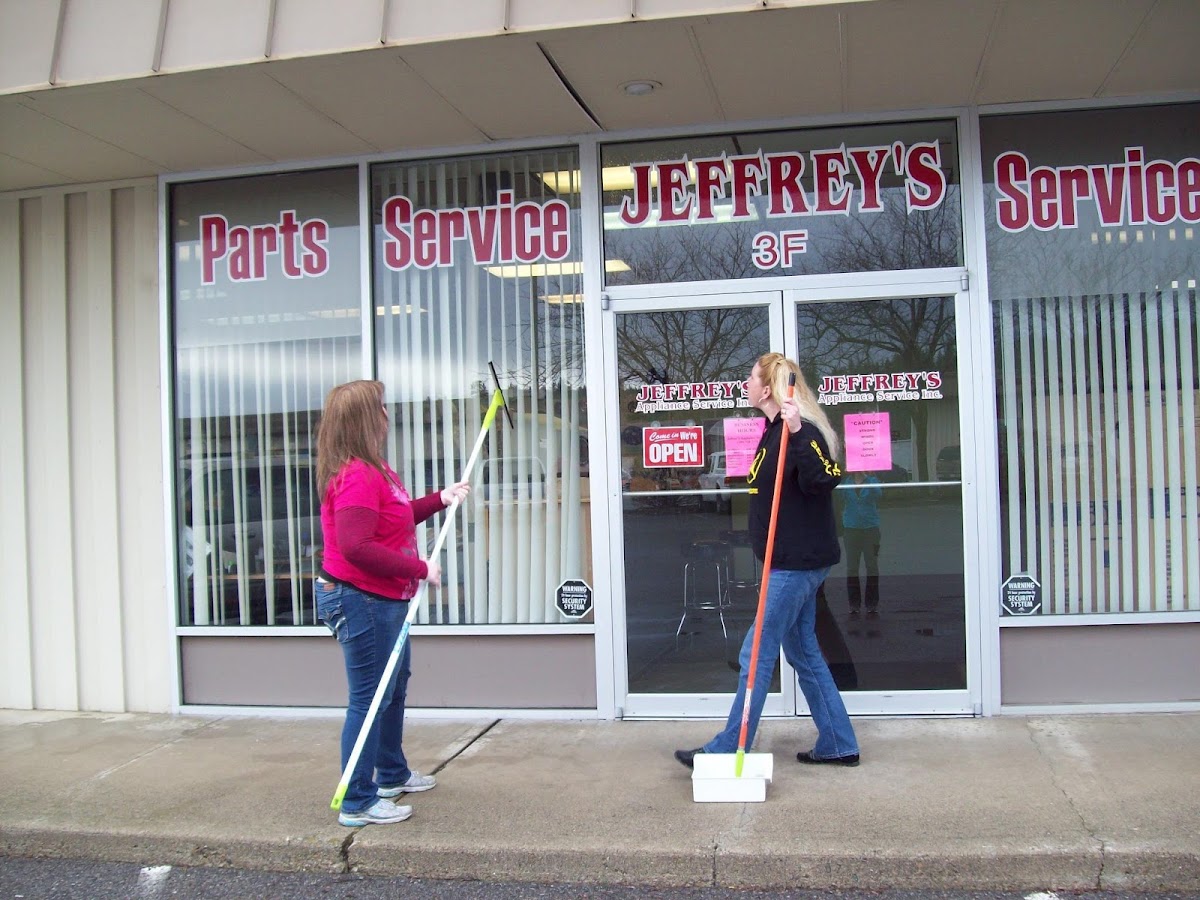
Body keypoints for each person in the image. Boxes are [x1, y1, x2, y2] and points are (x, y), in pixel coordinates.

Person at [674, 353, 860, 769]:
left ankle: (727, 748)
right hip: (789, 561)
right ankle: (838, 741)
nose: (746, 382)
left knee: (755, 654)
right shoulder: (772, 431)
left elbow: (825, 478)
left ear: (769, 386)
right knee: (803, 652)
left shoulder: (799, 431)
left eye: (751, 377)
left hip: (796, 564)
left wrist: (796, 429)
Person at [315, 380, 469, 827]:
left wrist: (440, 499)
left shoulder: (375, 468)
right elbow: (356, 546)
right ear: (365, 418)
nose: (387, 414)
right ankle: (357, 801)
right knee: (369, 698)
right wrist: (420, 569)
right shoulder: (357, 476)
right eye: (380, 407)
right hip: (359, 598)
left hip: (382, 598)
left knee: (393, 687)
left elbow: (395, 517)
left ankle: (390, 774)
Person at [842, 471, 882, 618]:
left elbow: (878, 495)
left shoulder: (873, 480)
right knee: (852, 567)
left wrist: (866, 478)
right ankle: (854, 604)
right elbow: (840, 497)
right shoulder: (846, 482)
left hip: (871, 529)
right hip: (851, 529)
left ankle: (872, 603)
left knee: (871, 565)